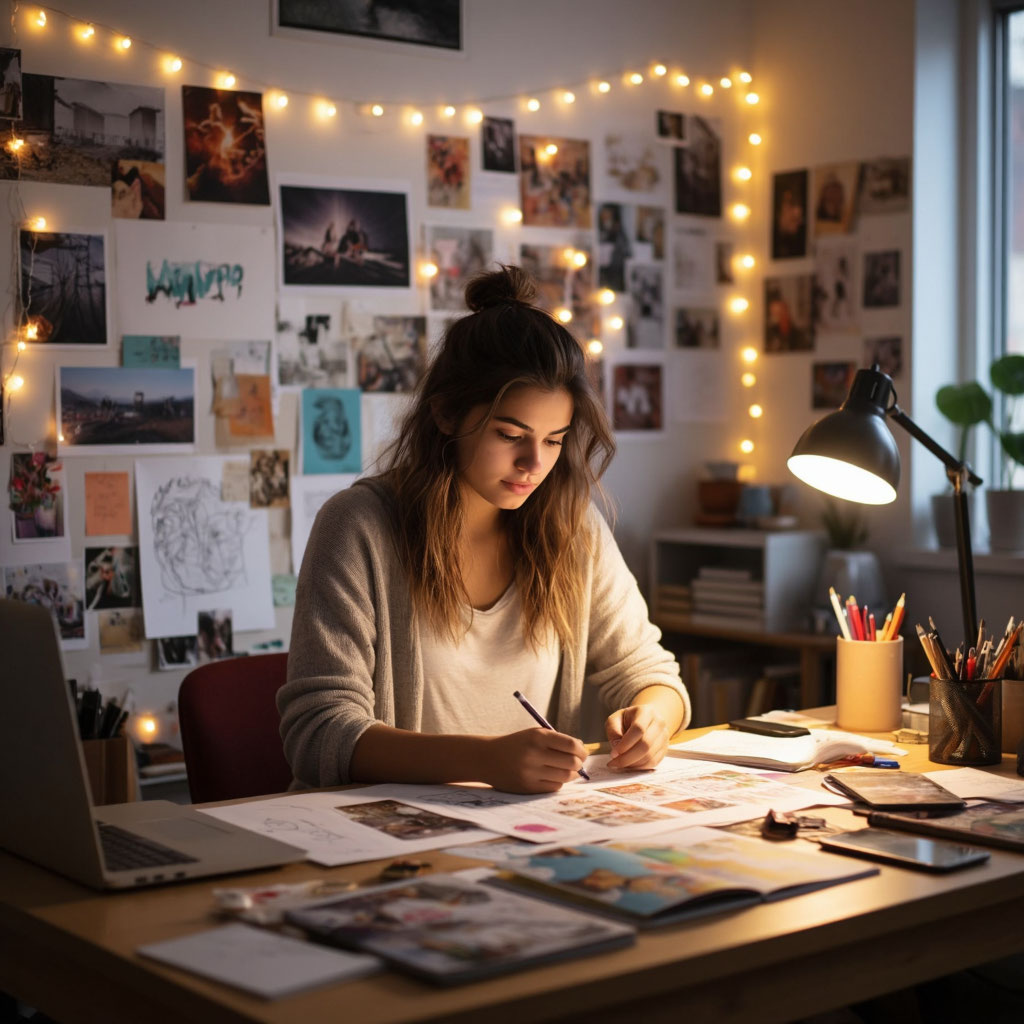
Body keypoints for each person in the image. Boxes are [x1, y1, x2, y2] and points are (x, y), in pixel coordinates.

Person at [280, 265, 690, 794]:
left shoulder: (573, 529)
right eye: (510, 434)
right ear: (447, 414)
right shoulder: (359, 526)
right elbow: (317, 733)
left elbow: (653, 674)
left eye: (554, 439)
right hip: (381, 842)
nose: (532, 464)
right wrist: (483, 761)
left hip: (520, 832)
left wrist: (654, 717)